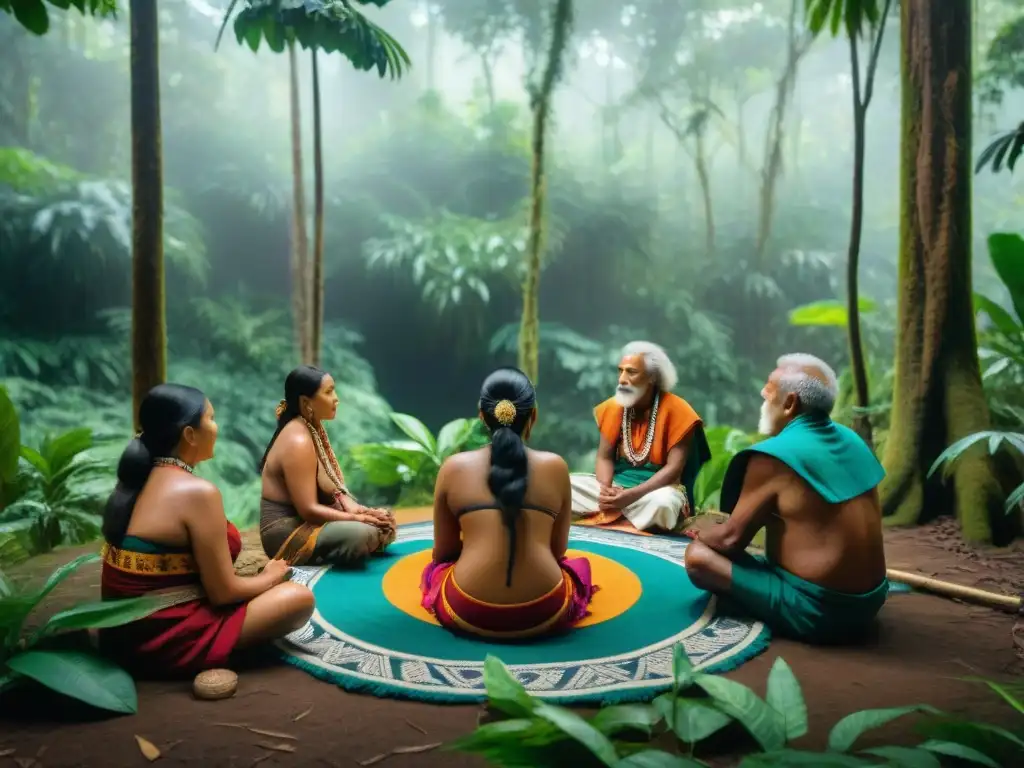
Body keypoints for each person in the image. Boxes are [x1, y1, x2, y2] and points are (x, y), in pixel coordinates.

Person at [99, 383, 315, 675]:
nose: (216, 427)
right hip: (160, 636)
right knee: (299, 598)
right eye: (210, 419)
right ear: (189, 434)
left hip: (117, 632)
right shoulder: (197, 492)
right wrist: (270, 577)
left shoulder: (138, 477)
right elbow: (223, 593)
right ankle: (213, 650)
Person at [684, 353, 890, 644]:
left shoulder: (774, 457)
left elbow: (730, 540)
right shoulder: (852, 440)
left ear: (790, 403)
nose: (763, 397)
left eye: (768, 391)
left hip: (821, 611)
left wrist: (699, 532)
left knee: (698, 558)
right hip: (871, 600)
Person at [420, 367, 597, 640]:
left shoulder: (453, 467)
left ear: (482, 416)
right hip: (546, 606)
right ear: (533, 416)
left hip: (467, 607)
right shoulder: (556, 467)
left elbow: (444, 552)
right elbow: (557, 549)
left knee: (434, 571)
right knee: (579, 569)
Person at [259, 365, 396, 567]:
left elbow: (335, 492)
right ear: (306, 402)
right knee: (362, 533)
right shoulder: (297, 439)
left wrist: (364, 512)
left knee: (384, 521)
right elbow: (308, 510)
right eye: (329, 392)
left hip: (311, 522)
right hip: (288, 532)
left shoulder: (311, 428)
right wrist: (355, 519)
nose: (336, 398)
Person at [570, 341, 711, 532]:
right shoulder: (613, 407)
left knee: (663, 505)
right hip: (617, 489)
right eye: (620, 371)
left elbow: (673, 470)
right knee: (566, 486)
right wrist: (606, 492)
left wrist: (630, 496)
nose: (622, 379)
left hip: (654, 493)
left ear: (652, 377)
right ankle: (625, 519)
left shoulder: (679, 411)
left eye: (631, 372)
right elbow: (604, 456)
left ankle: (617, 519)